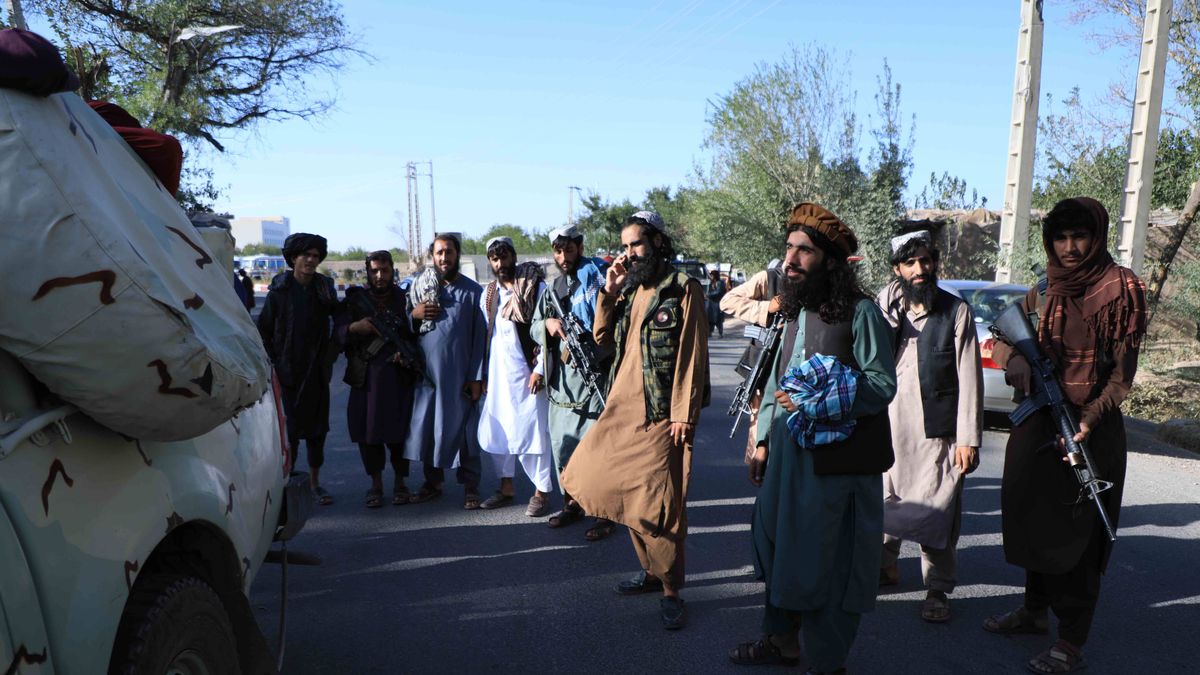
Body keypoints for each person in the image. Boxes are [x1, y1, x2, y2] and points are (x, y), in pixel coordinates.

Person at [729, 203, 896, 673]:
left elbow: (882, 384)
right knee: (778, 546)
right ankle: (781, 640)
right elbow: (776, 380)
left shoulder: (861, 313)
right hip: (786, 458)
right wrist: (762, 439)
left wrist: (820, 400)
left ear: (829, 260)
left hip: (836, 467)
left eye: (804, 251)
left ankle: (827, 661)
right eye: (789, 249)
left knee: (831, 563)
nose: (791, 260)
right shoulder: (792, 312)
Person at [983, 197, 1146, 675]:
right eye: (1061, 238)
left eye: (1080, 237)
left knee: (1079, 537)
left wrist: (1088, 421)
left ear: (1096, 237)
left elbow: (1121, 378)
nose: (1070, 248)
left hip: (1088, 429)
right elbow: (1004, 336)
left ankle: (1071, 640)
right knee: (1033, 519)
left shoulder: (1121, 289)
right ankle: (1034, 613)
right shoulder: (1045, 286)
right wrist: (1016, 363)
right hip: (1039, 422)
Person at [560, 211, 709, 631]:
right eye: (625, 247)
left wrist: (683, 412)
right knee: (608, 484)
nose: (629, 254)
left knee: (658, 504)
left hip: (661, 414)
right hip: (621, 409)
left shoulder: (683, 289)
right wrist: (608, 292)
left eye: (636, 245)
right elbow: (604, 339)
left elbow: (691, 355)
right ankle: (649, 573)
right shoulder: (633, 288)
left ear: (658, 243)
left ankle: (670, 590)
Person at [875, 230, 982, 623]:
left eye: (926, 261)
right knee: (886, 500)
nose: (920, 270)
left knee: (938, 509)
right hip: (890, 426)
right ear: (897, 269)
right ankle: (885, 567)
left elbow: (970, 377)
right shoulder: (884, 308)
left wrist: (968, 439)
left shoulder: (956, 311)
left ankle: (937, 588)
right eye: (910, 263)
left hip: (937, 432)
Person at [530, 224, 617, 539]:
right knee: (563, 447)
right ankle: (573, 503)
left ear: (579, 247)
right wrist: (548, 324)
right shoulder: (554, 287)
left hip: (595, 376)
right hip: (562, 385)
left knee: (596, 448)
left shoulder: (599, 278)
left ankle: (605, 513)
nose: (563, 256)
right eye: (558, 250)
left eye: (568, 249)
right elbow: (533, 326)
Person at [404, 233, 488, 509]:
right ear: (433, 255)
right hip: (428, 377)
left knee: (466, 433)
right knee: (430, 428)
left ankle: (471, 487)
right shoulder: (420, 287)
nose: (443, 258)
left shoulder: (473, 292)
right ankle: (433, 482)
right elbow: (405, 328)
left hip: (460, 378)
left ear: (457, 255)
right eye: (439, 253)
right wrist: (413, 315)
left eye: (448, 252)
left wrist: (476, 377)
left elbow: (480, 339)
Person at [257, 233, 339, 505]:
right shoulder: (279, 291)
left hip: (315, 372)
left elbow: (340, 323)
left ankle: (315, 484)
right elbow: (264, 331)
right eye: (306, 255)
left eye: (316, 256)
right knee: (288, 432)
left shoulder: (324, 289)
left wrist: (329, 356)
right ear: (294, 258)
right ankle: (287, 483)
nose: (311, 260)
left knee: (317, 431)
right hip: (286, 373)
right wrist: (275, 364)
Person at [336, 250, 421, 508]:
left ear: (392, 270)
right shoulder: (355, 300)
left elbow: (416, 336)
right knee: (368, 434)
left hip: (397, 378)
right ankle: (376, 484)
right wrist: (353, 328)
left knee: (399, 433)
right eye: (375, 271)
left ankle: (400, 482)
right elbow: (337, 332)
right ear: (368, 272)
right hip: (366, 378)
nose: (380, 275)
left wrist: (406, 356)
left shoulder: (404, 300)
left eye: (384, 270)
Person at [476, 237, 555, 516]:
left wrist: (540, 369)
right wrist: (484, 375)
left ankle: (541, 491)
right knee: (500, 430)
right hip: (499, 377)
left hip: (529, 375)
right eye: (495, 259)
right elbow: (487, 338)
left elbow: (547, 333)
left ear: (514, 257)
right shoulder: (489, 294)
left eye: (505, 257)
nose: (500, 264)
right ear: (490, 262)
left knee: (534, 432)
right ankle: (506, 487)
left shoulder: (536, 287)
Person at [721, 260, 784, 464]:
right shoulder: (770, 278)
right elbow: (728, 301)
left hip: (795, 376)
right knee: (760, 441)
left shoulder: (815, 282)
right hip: (764, 370)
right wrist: (768, 307)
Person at [706, 269, 728, 337]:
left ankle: (720, 333)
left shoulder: (720, 283)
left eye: (712, 275)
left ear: (715, 276)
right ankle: (709, 332)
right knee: (710, 319)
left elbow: (719, 292)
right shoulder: (711, 283)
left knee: (718, 320)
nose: (710, 277)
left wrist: (708, 295)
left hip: (718, 303)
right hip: (711, 303)